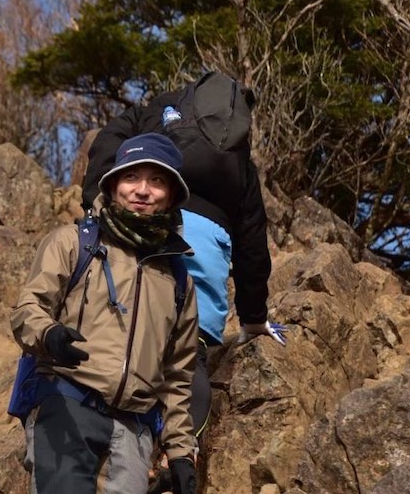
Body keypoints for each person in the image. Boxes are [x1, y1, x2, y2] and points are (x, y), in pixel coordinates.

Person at [82, 72, 287, 457]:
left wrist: (96, 197)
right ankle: (180, 452)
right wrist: (254, 319)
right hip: (206, 258)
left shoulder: (160, 110)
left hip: (150, 235)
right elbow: (253, 247)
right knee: (190, 360)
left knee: (125, 338)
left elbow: (109, 137)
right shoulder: (241, 161)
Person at [11, 133, 199, 494]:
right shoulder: (74, 242)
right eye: (131, 177)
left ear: (172, 195)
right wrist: (50, 336)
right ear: (113, 185)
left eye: (157, 180)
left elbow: (178, 376)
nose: (142, 190)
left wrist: (180, 451)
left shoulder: (178, 279)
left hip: (134, 430)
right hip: (66, 404)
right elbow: (27, 310)